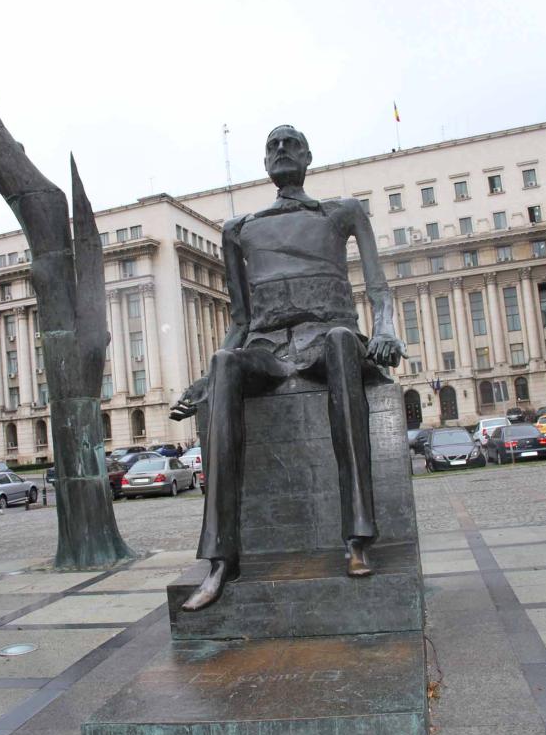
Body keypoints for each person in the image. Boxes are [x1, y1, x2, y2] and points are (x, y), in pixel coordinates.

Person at [170, 125, 406, 610]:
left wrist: (384, 329)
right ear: (264, 163)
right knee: (222, 364)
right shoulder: (239, 229)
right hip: (269, 348)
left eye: (290, 144)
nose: (280, 151)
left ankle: (357, 538)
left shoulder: (343, 212)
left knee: (343, 341)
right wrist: (206, 381)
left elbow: (379, 289)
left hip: (328, 338)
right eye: (272, 146)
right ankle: (220, 560)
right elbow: (239, 319)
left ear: (308, 157)